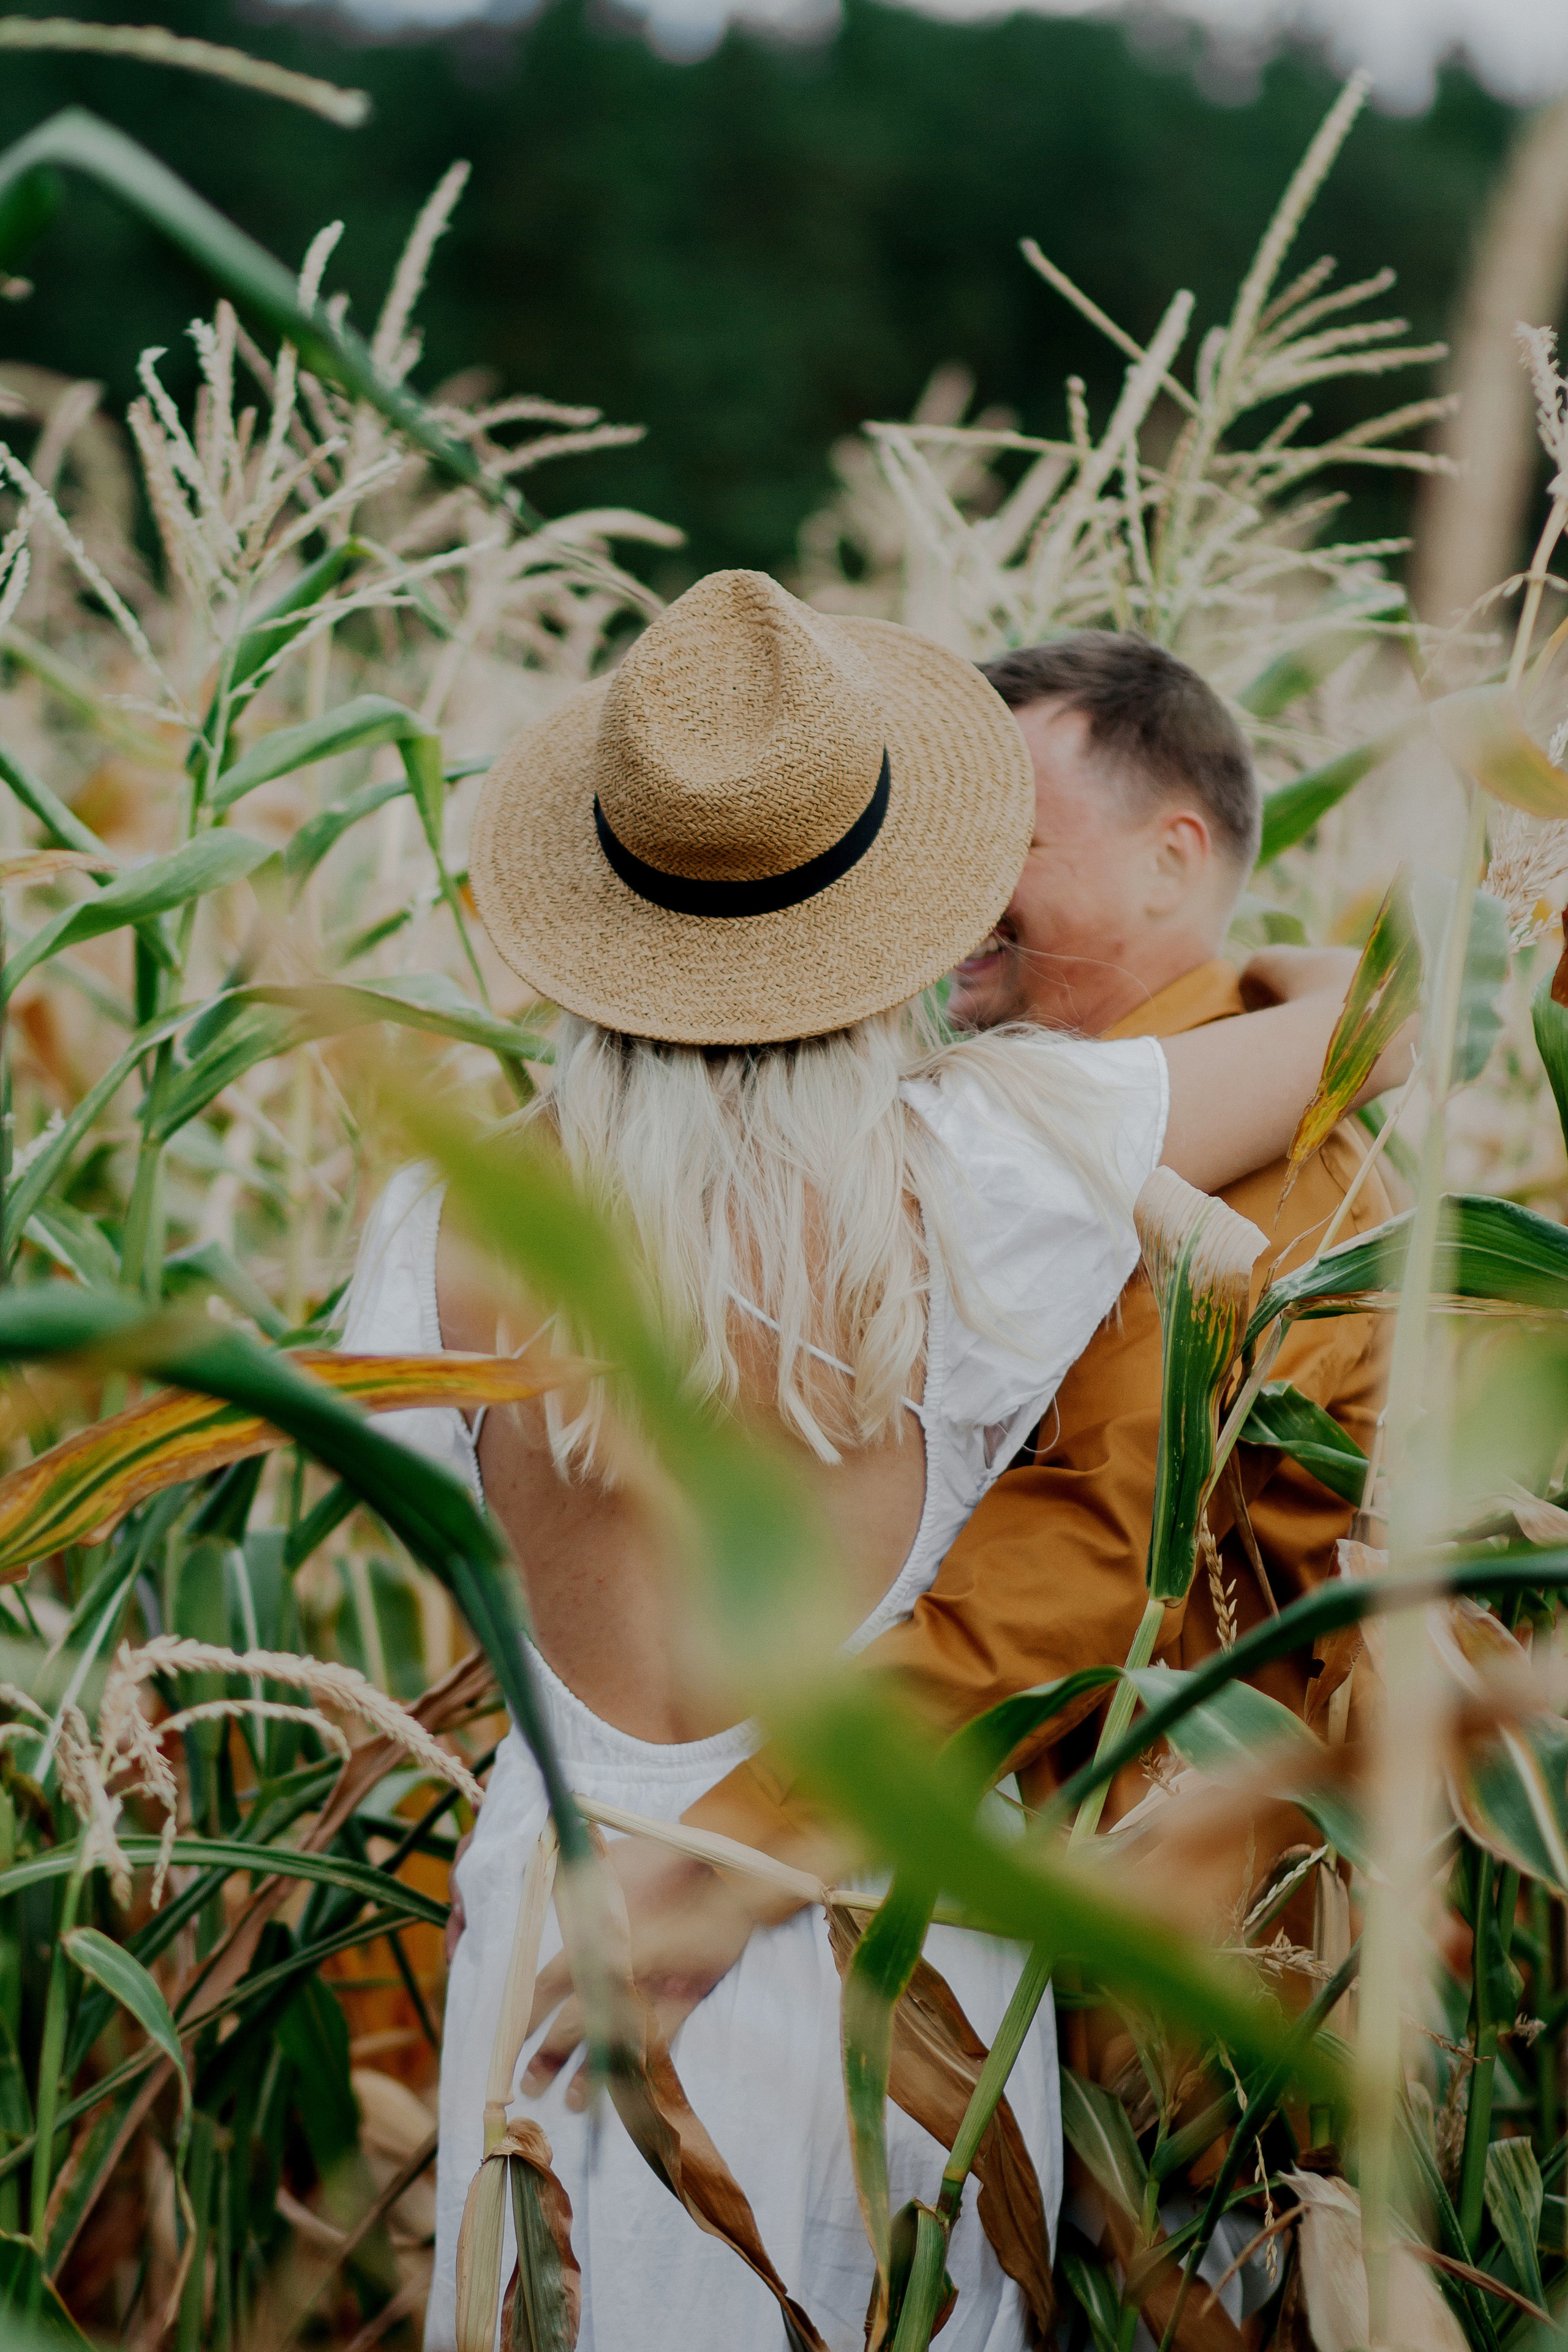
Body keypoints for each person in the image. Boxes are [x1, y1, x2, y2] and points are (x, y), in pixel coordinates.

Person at [342, 575, 1409, 2352]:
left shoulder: (438, 1216)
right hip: (877, 1947)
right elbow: (1365, 1023)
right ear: (883, 911)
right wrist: (1282, 958)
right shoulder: (997, 1156)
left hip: (555, 1929)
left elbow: (420, 1517)